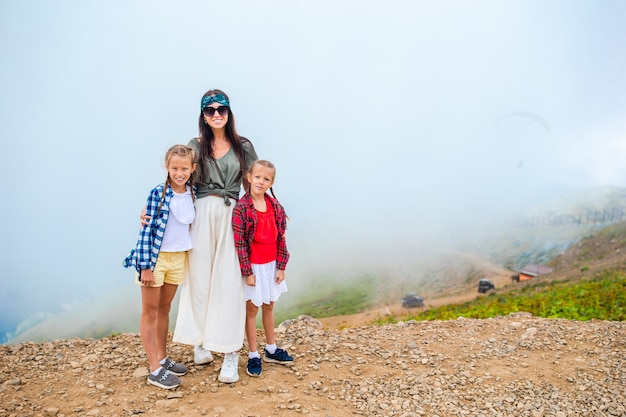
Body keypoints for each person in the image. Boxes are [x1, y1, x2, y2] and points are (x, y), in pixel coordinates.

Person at [171, 89, 258, 384]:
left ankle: (230, 353)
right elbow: (178, 179)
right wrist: (152, 208)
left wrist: (258, 217)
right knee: (199, 279)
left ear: (229, 113)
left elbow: (253, 184)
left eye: (222, 109)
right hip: (201, 213)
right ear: (203, 115)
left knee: (229, 281)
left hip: (232, 214)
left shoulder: (242, 145)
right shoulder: (194, 146)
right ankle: (199, 340)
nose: (217, 114)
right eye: (210, 110)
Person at [123, 144, 197, 390]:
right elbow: (147, 230)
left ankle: (163, 358)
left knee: (165, 308)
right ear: (167, 167)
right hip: (155, 259)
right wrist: (145, 266)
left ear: (192, 169)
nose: (179, 173)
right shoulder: (158, 193)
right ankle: (154, 368)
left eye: (184, 168)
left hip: (178, 258)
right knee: (150, 310)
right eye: (175, 167)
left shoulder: (193, 193)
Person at [232, 160, 294, 377]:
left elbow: (281, 239)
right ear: (249, 177)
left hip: (271, 266)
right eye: (257, 177)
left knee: (269, 306)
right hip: (254, 268)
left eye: (266, 179)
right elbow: (240, 244)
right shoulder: (241, 208)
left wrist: (281, 267)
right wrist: (247, 272)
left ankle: (271, 348)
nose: (260, 181)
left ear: (271, 182)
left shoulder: (276, 207)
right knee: (252, 310)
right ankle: (253, 354)